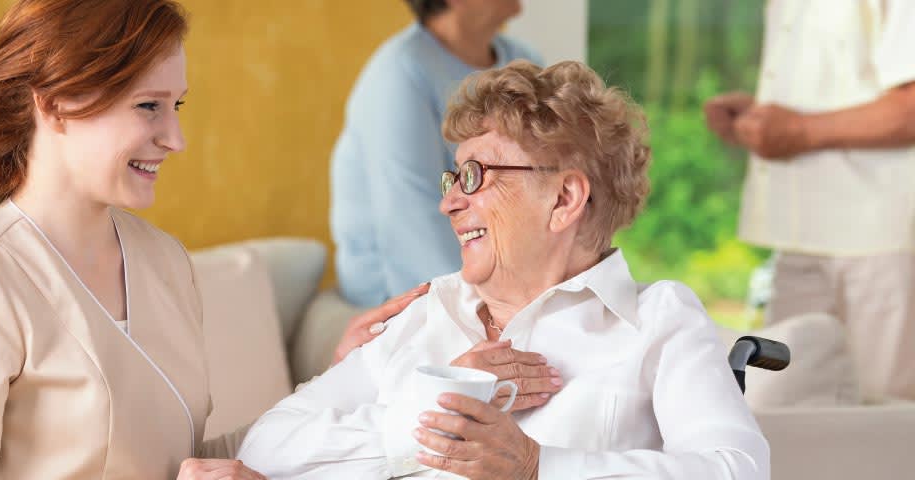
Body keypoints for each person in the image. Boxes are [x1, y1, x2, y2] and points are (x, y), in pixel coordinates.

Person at [0, 1, 430, 478]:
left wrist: (342, 382)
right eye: (149, 106)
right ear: (53, 104)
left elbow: (188, 464)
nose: (175, 138)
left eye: (178, 106)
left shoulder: (163, 260)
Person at [239, 61, 770, 479]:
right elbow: (263, 449)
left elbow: (737, 469)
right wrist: (432, 409)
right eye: (453, 179)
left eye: (475, 175)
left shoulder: (657, 320)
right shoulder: (425, 313)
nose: (449, 203)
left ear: (563, 199)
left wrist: (539, 467)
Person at [703, 0, 915, 401]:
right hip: (799, 235)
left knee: (889, 409)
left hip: (881, 238)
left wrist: (799, 129)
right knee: (784, 397)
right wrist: (761, 123)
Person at [331, 0, 542, 308]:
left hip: (501, 284)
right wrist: (485, 310)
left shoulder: (522, 60)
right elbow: (411, 225)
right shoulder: (401, 72)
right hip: (402, 298)